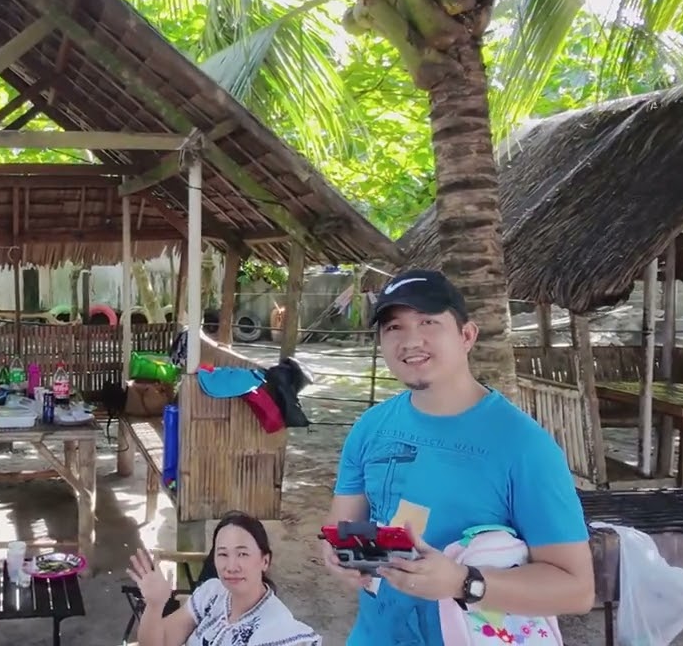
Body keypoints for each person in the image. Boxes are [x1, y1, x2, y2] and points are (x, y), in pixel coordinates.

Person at [322, 269, 594, 645]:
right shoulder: (370, 428)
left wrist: (463, 582)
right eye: (393, 327)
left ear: (467, 335)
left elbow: (576, 589)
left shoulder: (524, 446)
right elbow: (340, 528)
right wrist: (338, 554)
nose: (410, 340)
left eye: (428, 322)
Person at [127, 512, 322, 645]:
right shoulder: (212, 592)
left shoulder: (277, 628)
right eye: (222, 554)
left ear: (265, 560)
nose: (231, 566)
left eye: (242, 554)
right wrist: (154, 606)